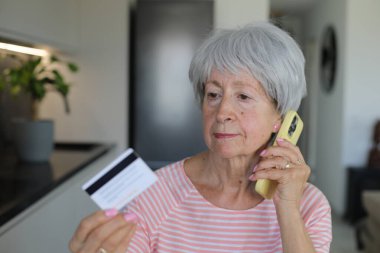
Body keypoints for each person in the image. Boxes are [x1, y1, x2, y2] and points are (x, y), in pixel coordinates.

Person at [69, 22, 332, 253]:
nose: (222, 112)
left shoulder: (309, 204)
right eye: (213, 95)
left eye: (243, 96)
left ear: (281, 118)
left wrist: (287, 209)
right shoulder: (154, 193)